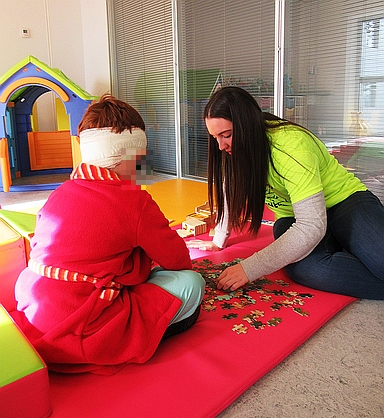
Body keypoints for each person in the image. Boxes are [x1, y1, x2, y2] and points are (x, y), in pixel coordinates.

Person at [14, 94, 205, 375]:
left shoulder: (59, 193)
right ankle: (149, 333)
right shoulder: (134, 200)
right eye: (141, 160)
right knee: (192, 282)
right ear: (131, 156)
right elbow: (179, 261)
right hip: (85, 326)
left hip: (37, 314)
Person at [187, 86, 384, 300]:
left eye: (226, 135)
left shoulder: (290, 144)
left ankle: (346, 242)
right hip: (293, 217)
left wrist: (249, 268)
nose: (220, 146)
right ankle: (345, 245)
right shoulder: (235, 150)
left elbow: (311, 226)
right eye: (216, 137)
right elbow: (228, 191)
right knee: (305, 269)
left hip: (345, 202)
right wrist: (218, 240)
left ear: (248, 126)